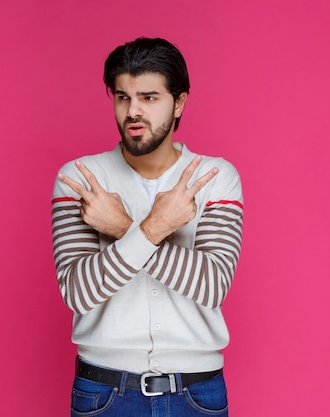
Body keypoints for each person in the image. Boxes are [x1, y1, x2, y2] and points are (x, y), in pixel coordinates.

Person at [51, 37, 243, 417]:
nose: (133, 111)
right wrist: (154, 228)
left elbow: (212, 286)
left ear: (180, 102)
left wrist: (123, 227)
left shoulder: (214, 177)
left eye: (149, 97)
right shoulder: (80, 179)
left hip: (196, 393)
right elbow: (78, 292)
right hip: (104, 393)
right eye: (122, 97)